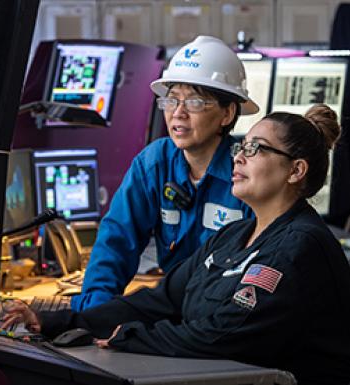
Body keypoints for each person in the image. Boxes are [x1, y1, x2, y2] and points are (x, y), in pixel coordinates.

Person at [3, 104, 350, 384]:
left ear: (296, 170)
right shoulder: (233, 237)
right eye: (241, 147)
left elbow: (224, 334)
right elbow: (160, 300)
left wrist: (127, 337)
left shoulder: (300, 246)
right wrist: (60, 321)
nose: (239, 156)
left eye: (256, 149)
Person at [70, 35, 260, 311]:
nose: (178, 114)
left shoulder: (247, 171)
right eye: (172, 101)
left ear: (227, 114)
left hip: (223, 314)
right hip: (172, 305)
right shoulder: (154, 163)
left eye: (195, 102)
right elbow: (117, 240)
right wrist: (93, 315)